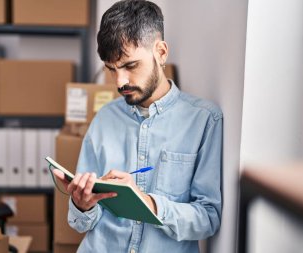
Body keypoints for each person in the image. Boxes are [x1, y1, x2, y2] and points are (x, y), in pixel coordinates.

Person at [53, 0, 223, 252]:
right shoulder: (104, 119)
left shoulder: (204, 120)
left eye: (130, 66)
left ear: (161, 52)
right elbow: (79, 223)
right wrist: (82, 204)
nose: (120, 82)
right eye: (112, 69)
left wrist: (146, 203)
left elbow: (208, 218)